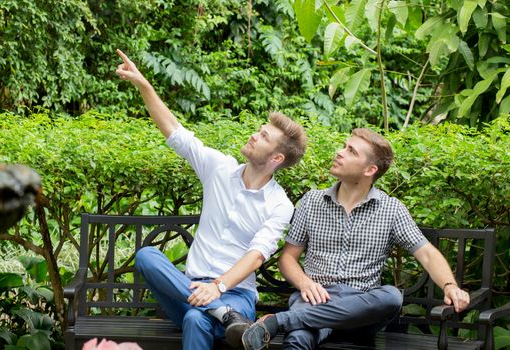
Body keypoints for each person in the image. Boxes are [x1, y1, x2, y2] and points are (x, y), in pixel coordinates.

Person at [115, 49, 307, 350]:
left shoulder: (280, 204)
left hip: (236, 295)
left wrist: (217, 287)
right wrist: (144, 85)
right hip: (187, 289)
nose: (255, 136)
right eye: (259, 131)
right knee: (147, 257)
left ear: (276, 158)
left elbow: (258, 254)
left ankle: (221, 310)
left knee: (195, 320)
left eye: (264, 137)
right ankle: (223, 315)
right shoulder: (219, 167)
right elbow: (176, 133)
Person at [239, 128, 471, 350]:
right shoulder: (311, 201)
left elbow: (428, 255)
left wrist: (450, 286)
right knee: (298, 340)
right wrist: (305, 283)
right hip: (315, 299)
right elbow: (288, 258)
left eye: (351, 151)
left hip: (360, 312)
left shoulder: (391, 210)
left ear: (369, 170)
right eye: (344, 146)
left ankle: (279, 321)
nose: (340, 152)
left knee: (390, 297)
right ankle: (291, 321)